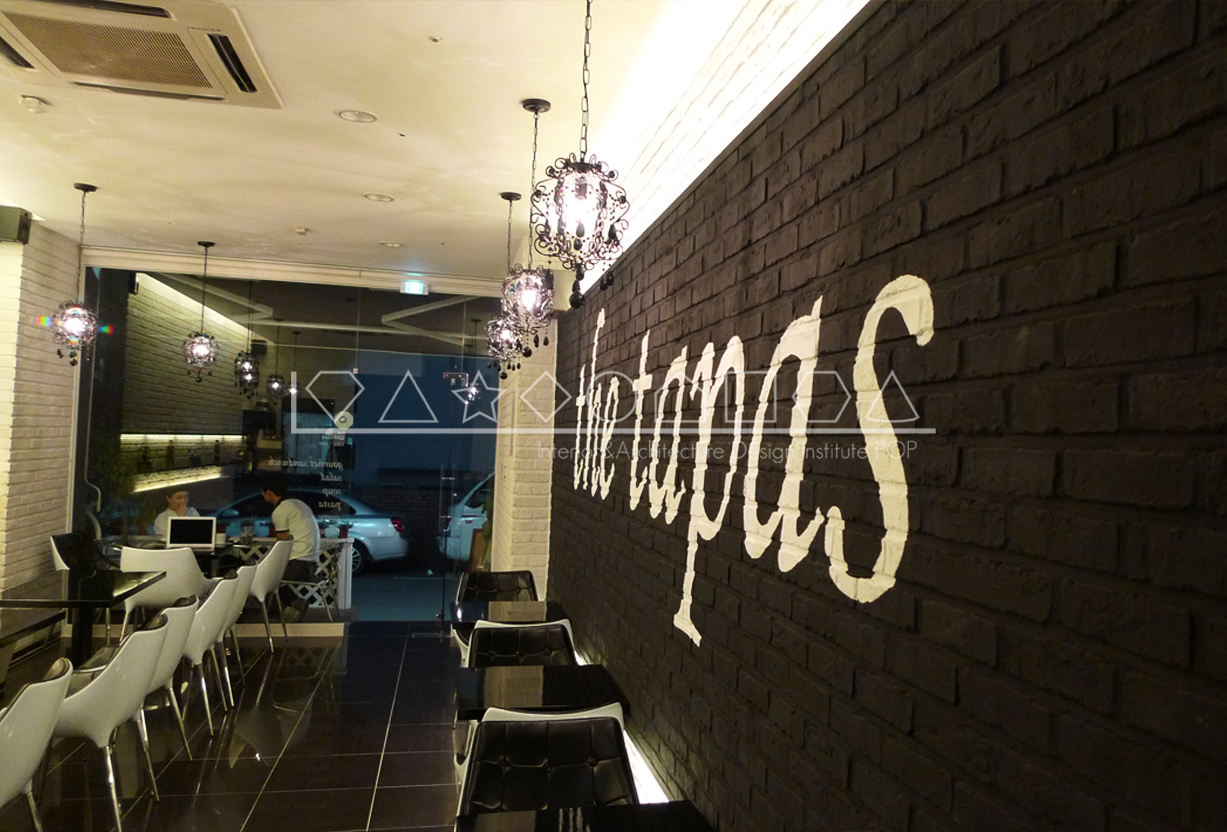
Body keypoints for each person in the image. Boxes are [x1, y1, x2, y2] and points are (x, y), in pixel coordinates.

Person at [259, 473, 321, 622]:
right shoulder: (299, 504)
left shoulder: (281, 511)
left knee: (263, 579)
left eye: (263, 492)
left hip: (298, 565)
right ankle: (295, 605)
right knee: (272, 576)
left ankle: (287, 614)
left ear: (269, 492)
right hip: (311, 564)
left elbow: (283, 544)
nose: (262, 495)